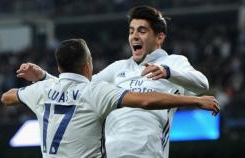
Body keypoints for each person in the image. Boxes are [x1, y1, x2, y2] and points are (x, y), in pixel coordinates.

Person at [16, 6, 212, 158]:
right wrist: (44, 77)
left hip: (147, 152)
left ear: (159, 37)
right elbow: (77, 89)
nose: (134, 36)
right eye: (131, 31)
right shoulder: (117, 68)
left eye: (142, 30)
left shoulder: (174, 62)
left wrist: (168, 72)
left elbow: (202, 84)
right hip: (111, 152)